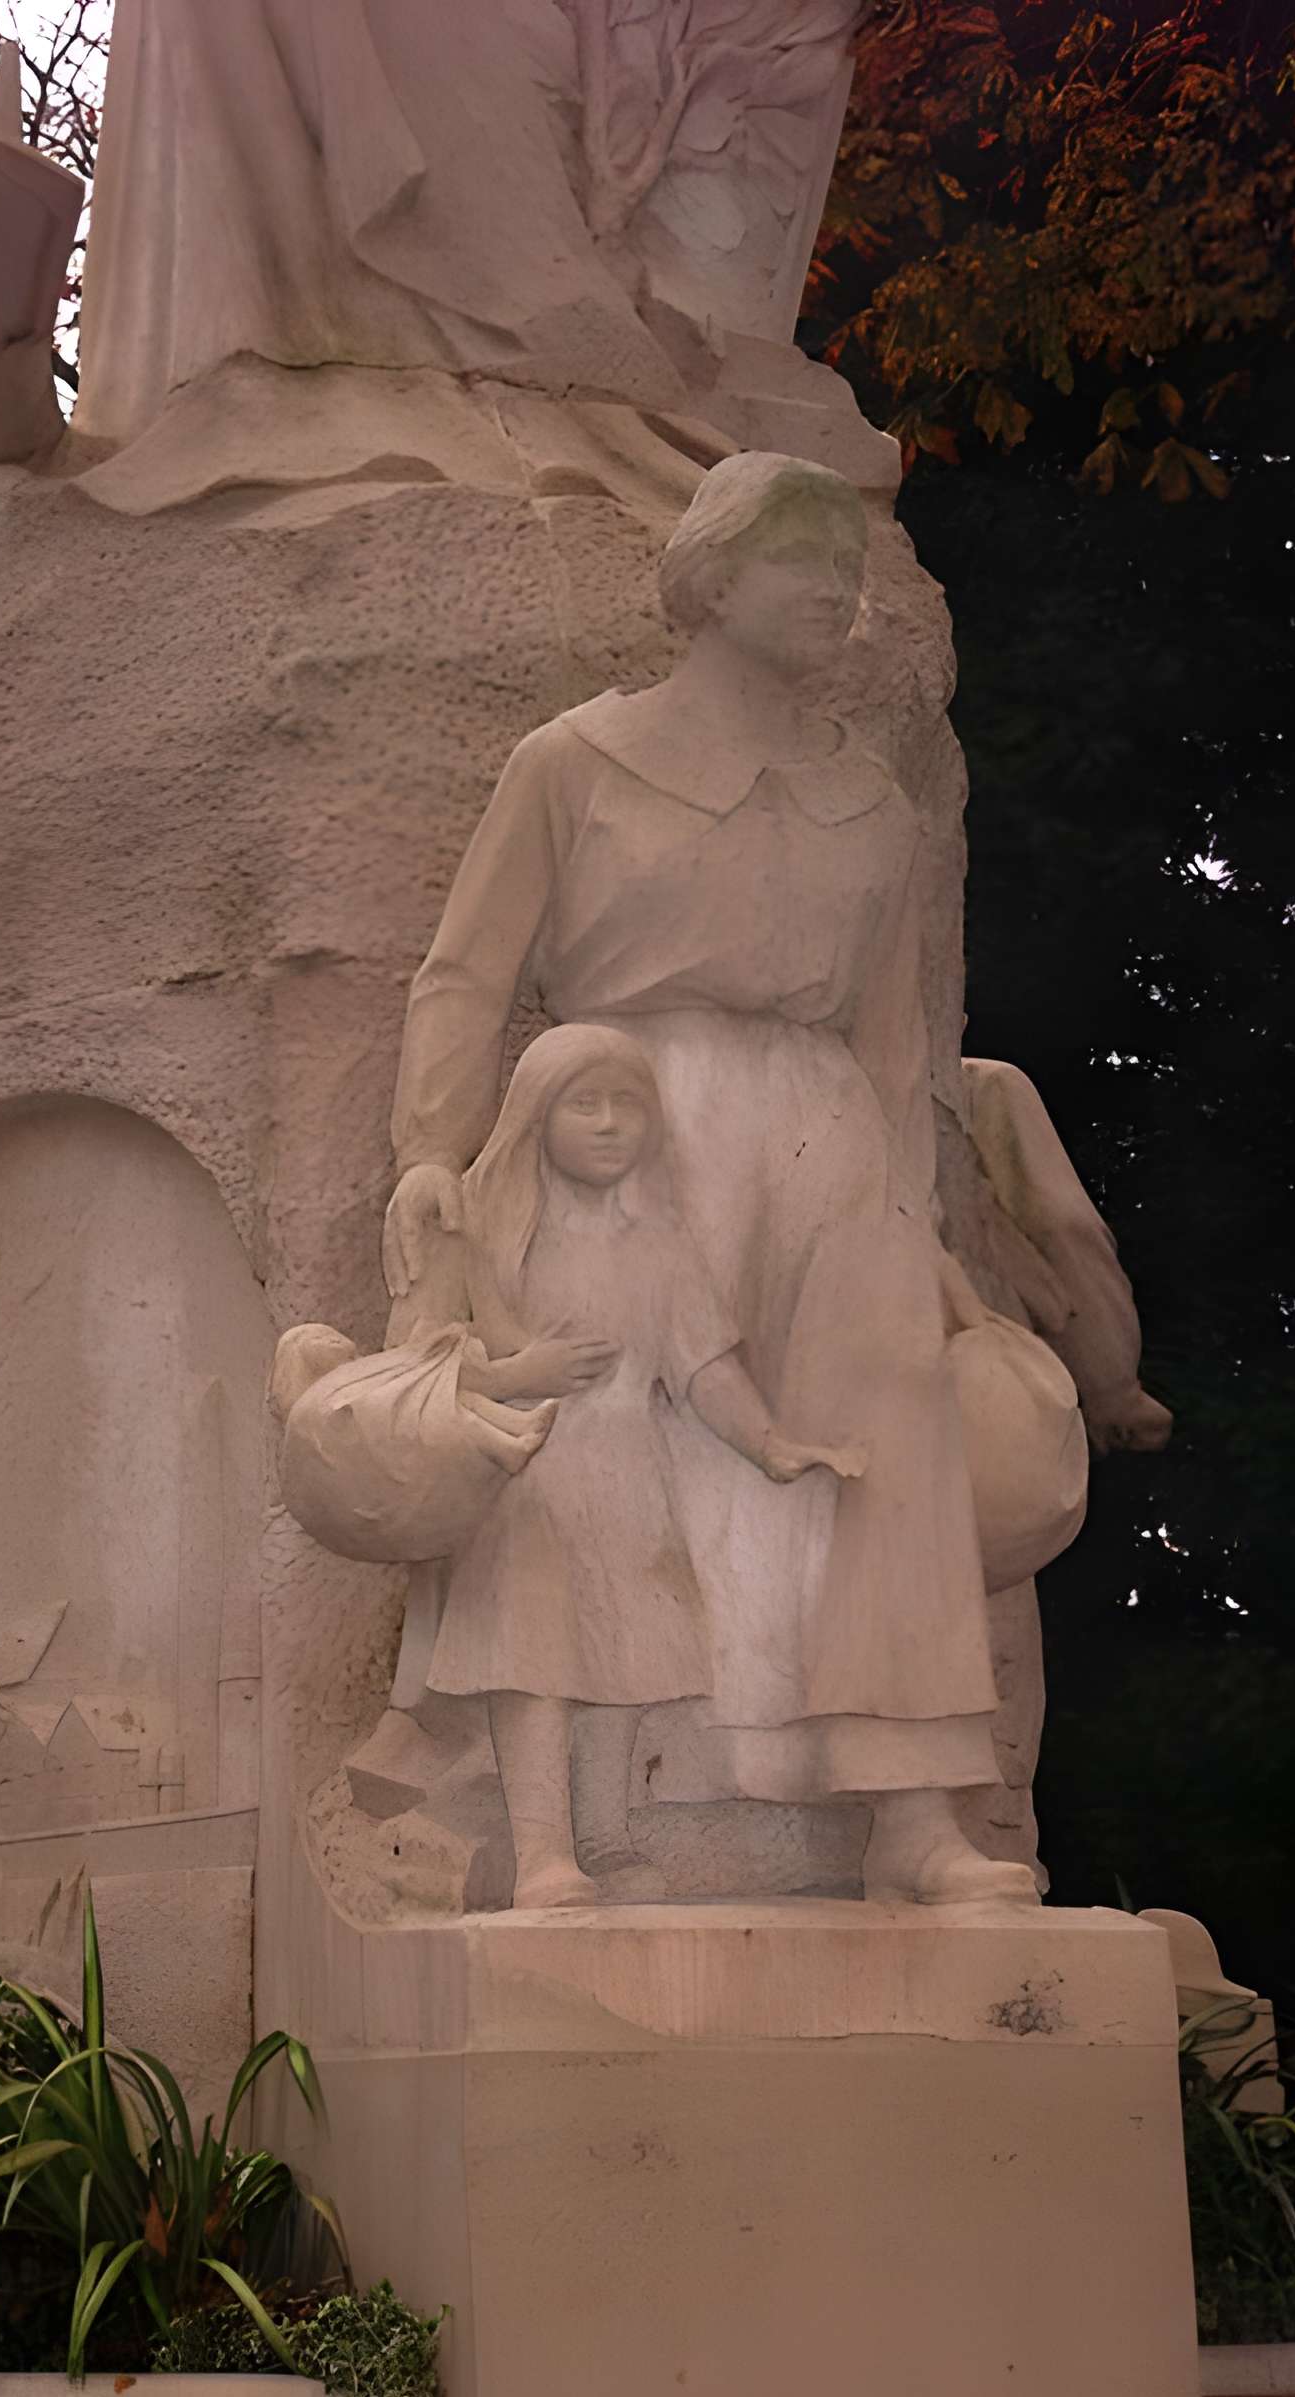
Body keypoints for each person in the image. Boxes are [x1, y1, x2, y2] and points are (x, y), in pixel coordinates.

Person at [386, 451, 1039, 1906]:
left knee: (885, 1428)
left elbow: (892, 1040)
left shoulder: (870, 805)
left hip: (826, 1128)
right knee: (616, 1437)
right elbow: (467, 975)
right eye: (802, 559)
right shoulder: (577, 761)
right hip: (628, 1116)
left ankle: (917, 1812)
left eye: (848, 571)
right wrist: (430, 1156)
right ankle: (605, 1819)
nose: (835, 592)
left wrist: (913, 1219)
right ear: (712, 579)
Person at [430, 1023, 859, 1906]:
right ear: (537, 1116)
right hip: (526, 1479)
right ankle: (543, 1852)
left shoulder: (660, 1250)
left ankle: (607, 1837)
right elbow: (423, 1355)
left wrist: (773, 1444)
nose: (609, 1122)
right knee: (535, 1659)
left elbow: (705, 1369)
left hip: (630, 1483)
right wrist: (519, 1372)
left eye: (628, 1104)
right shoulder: (485, 1235)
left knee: (623, 1658)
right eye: (584, 1103)